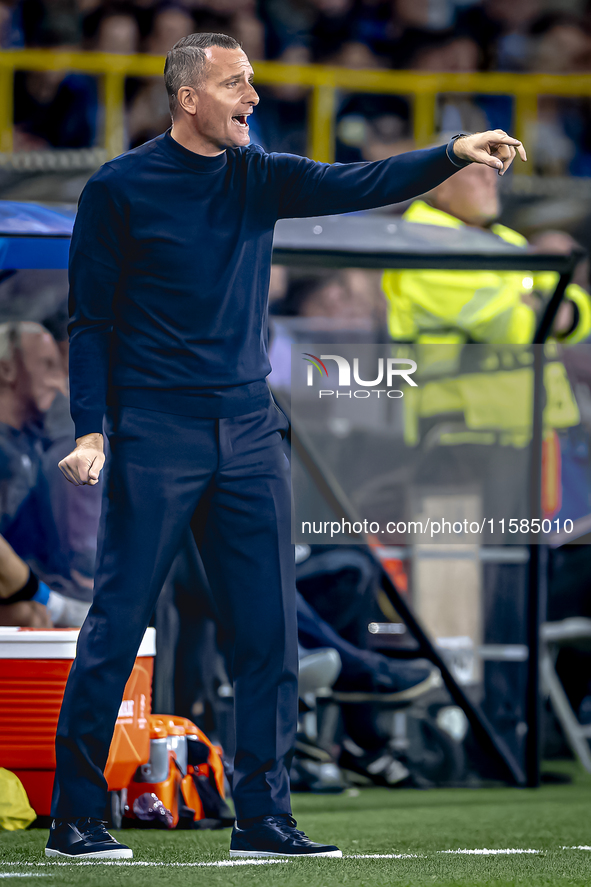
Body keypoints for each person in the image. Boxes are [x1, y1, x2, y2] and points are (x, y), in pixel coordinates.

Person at [45, 31, 526, 862]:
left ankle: (262, 817)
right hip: (156, 429)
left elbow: (359, 180)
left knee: (268, 631)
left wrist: (451, 153)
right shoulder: (118, 187)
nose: (253, 97)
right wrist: (92, 427)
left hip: (248, 428)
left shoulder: (258, 175)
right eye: (235, 84)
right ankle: (74, 817)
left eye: (254, 82)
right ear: (188, 97)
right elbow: (88, 321)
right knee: (117, 623)